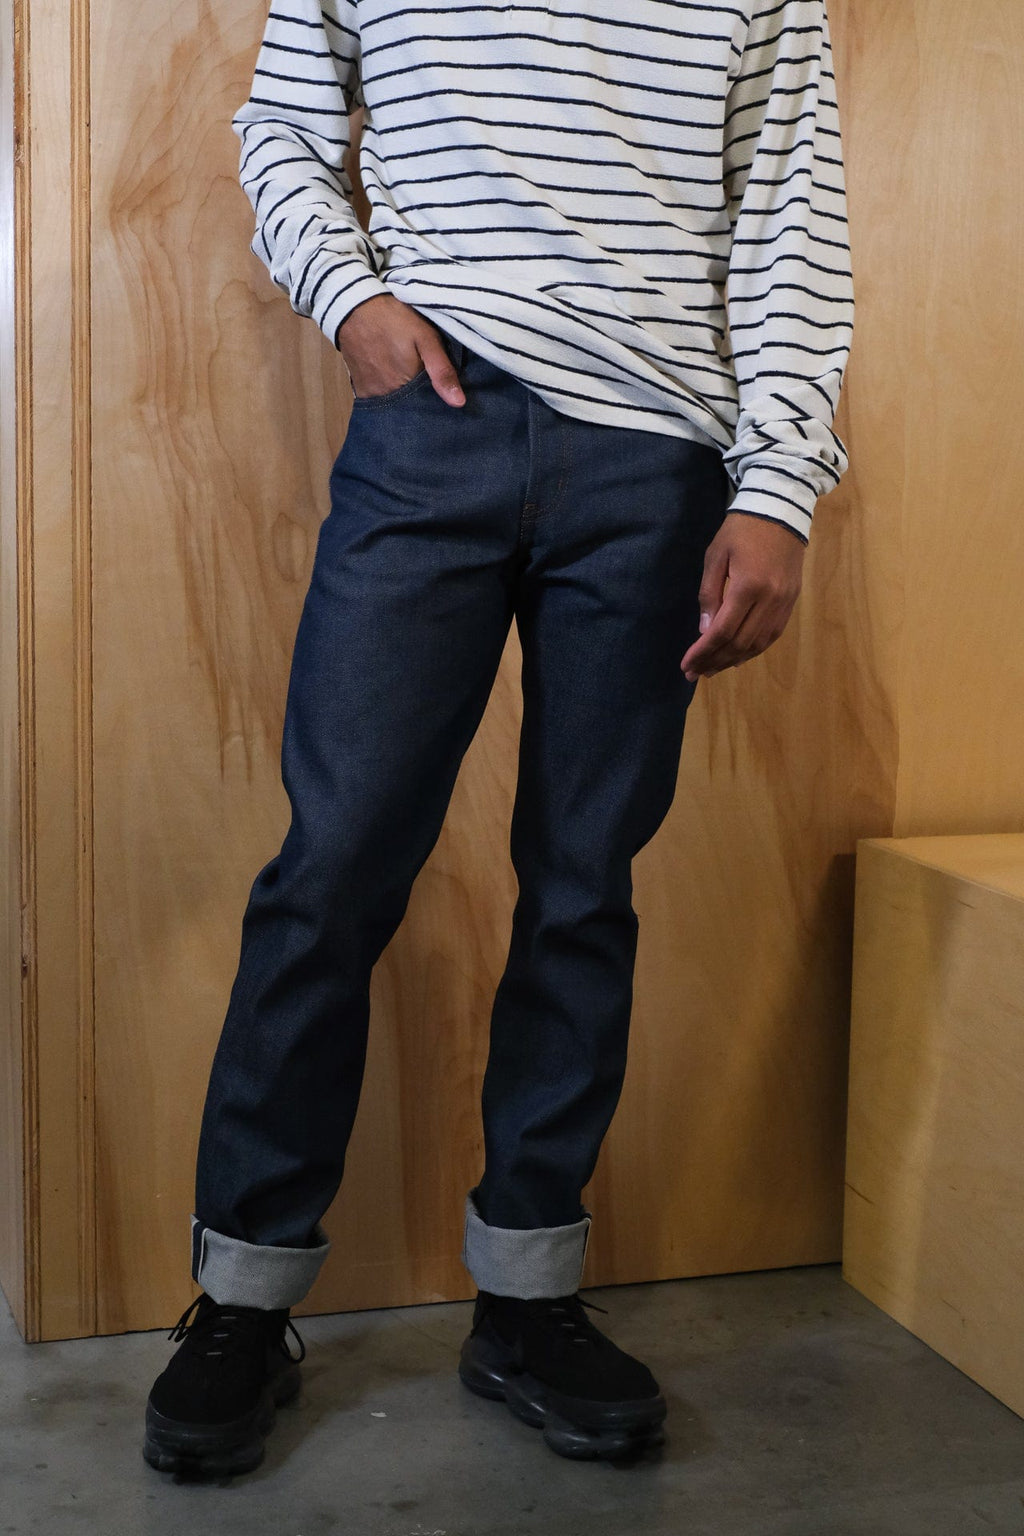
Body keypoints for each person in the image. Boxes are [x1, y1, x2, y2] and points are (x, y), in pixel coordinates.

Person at [143, 0, 853, 1476]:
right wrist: (350, 300)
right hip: (432, 426)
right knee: (334, 865)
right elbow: (281, 124)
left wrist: (780, 484)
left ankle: (527, 1299)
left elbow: (789, 211)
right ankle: (243, 1297)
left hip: (658, 457)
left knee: (583, 882)